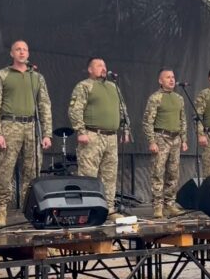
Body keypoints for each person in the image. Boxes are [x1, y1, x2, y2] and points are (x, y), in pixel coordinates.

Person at [0, 40, 52, 227]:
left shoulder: (37, 77)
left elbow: (45, 105)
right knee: (5, 169)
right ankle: (1, 210)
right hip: (10, 124)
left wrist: (47, 133)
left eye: (25, 49)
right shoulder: (2, 75)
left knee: (32, 170)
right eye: (18, 49)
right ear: (11, 53)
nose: (22, 52)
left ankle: (30, 209)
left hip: (32, 126)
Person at [68, 57, 131, 221]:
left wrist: (125, 129)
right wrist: (81, 131)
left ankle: (108, 208)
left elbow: (122, 110)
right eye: (98, 65)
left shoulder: (113, 86)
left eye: (104, 65)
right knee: (89, 175)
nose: (103, 68)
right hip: (92, 135)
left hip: (111, 137)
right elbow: (75, 110)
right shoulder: (84, 86)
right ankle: (86, 210)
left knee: (110, 175)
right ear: (90, 69)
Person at [142, 68, 188, 219]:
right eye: (168, 77)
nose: (172, 80)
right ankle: (157, 206)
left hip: (176, 139)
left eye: (173, 77)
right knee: (158, 172)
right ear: (160, 81)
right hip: (161, 138)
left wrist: (184, 139)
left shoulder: (179, 98)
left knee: (173, 173)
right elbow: (147, 122)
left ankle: (170, 204)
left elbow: (183, 120)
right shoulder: (155, 98)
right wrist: (152, 141)